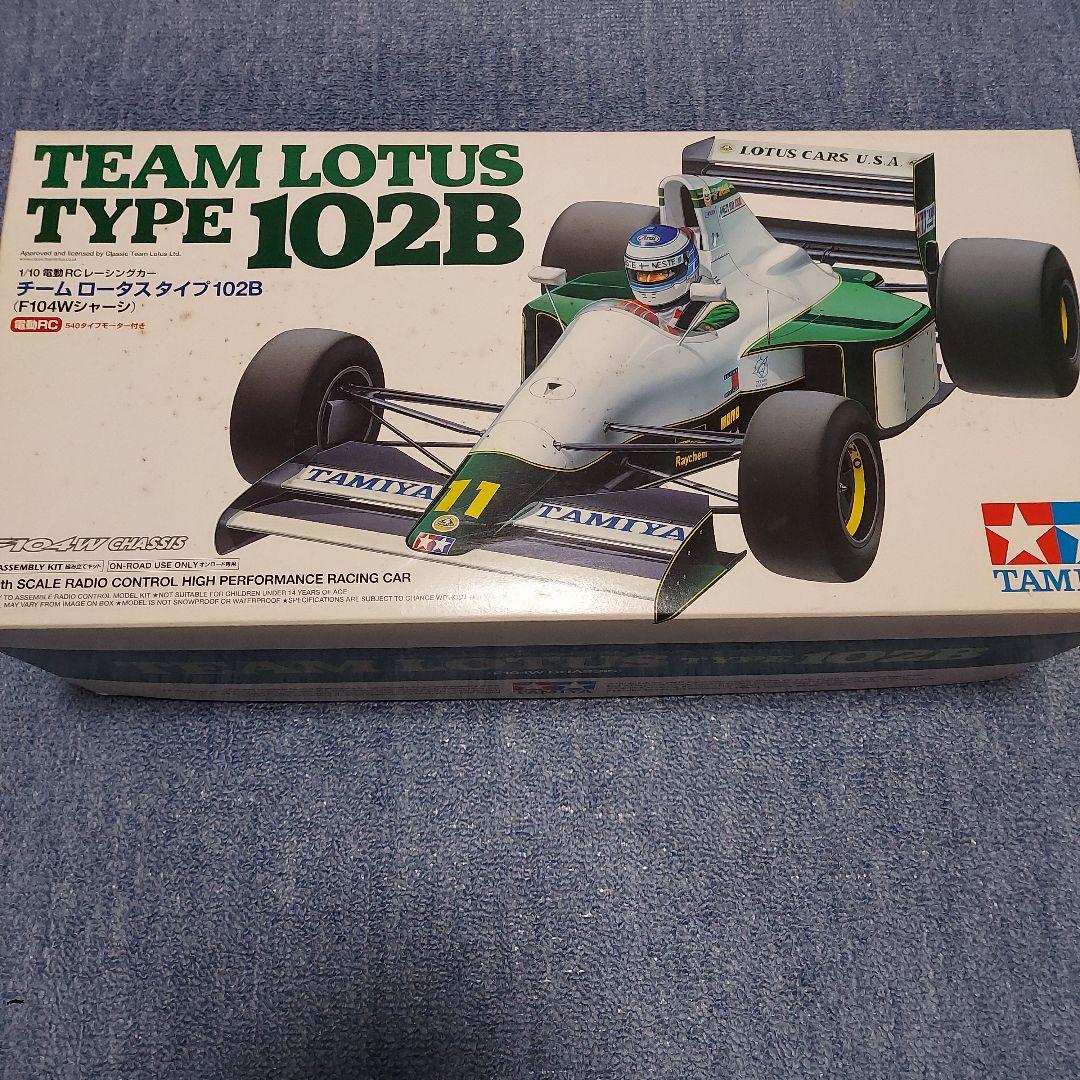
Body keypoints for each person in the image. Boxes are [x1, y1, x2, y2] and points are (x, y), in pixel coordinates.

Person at [623, 224, 701, 326]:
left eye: (659, 274)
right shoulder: (628, 310)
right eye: (641, 274)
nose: (648, 280)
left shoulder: (707, 311)